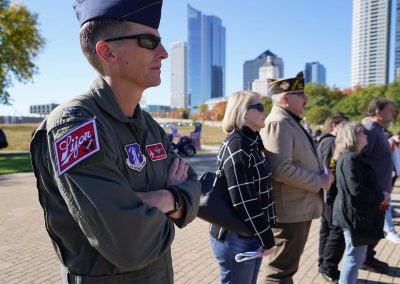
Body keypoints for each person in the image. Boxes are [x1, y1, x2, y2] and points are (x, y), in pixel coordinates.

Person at [29, 1, 201, 283]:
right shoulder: (75, 127)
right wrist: (175, 205)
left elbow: (194, 187)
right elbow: (131, 244)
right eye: (149, 41)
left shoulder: (149, 125)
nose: (164, 52)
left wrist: (164, 199)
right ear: (107, 51)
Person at [260, 72, 333, 284]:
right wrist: (319, 181)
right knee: (279, 273)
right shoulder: (278, 123)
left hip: (297, 211)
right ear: (285, 98)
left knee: (286, 270)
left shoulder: (288, 121)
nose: (306, 99)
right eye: (300, 94)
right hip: (289, 214)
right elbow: (280, 169)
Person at [209, 91, 276, 284]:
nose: (265, 111)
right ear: (244, 113)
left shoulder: (251, 143)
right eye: (260, 107)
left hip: (247, 233)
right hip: (236, 235)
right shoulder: (238, 145)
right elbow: (243, 199)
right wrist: (266, 237)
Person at [332, 122, 389, 284]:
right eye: (363, 133)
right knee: (353, 258)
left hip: (354, 214)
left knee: (356, 257)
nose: (366, 136)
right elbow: (356, 189)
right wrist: (380, 197)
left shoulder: (353, 156)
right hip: (354, 216)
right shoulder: (351, 158)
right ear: (354, 136)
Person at [361, 97, 397, 274]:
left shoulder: (379, 130)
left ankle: (368, 256)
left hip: (380, 192)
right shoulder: (369, 129)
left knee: (376, 229)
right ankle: (365, 260)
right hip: (372, 194)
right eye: (391, 109)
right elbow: (359, 161)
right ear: (378, 112)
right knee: (371, 230)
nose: (394, 113)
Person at [317, 112, 348, 282]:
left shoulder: (326, 140)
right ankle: (328, 267)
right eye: (344, 124)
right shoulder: (330, 142)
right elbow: (330, 169)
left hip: (328, 192)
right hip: (331, 193)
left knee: (326, 230)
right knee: (335, 229)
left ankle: (323, 265)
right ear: (335, 124)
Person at [385, 131, 400, 244]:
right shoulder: (391, 143)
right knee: (386, 199)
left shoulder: (395, 143)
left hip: (393, 174)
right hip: (390, 174)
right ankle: (388, 228)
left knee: (388, 198)